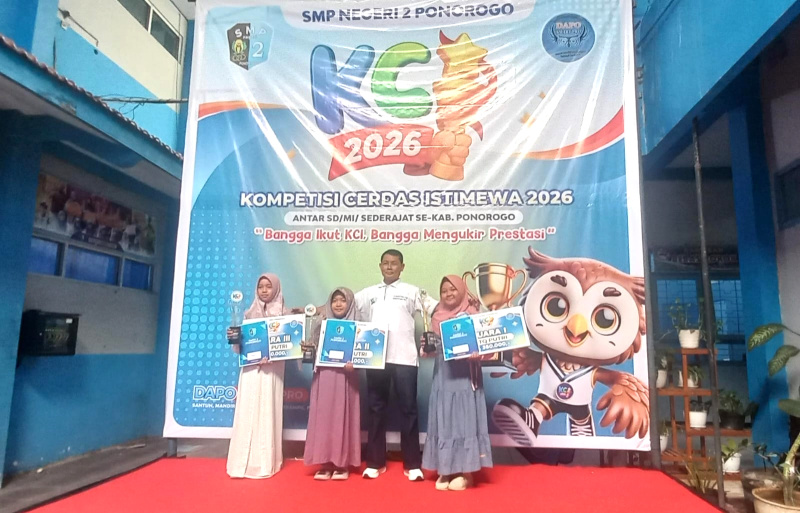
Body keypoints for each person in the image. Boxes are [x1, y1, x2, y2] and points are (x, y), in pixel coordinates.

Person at [355, 249, 437, 481]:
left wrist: (465, 308)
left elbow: (436, 309)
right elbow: (344, 304)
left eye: (394, 263)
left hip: (405, 359)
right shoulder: (369, 293)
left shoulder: (412, 292)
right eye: (386, 263)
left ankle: (412, 464)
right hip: (376, 359)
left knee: (408, 410)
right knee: (376, 410)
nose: (389, 267)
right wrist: (313, 311)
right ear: (380, 266)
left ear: (402, 267)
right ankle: (375, 462)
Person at [421, 275, 493, 491]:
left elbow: (489, 349)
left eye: (453, 289)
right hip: (444, 377)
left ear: (461, 291)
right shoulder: (436, 317)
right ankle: (445, 469)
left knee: (464, 420)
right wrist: (426, 348)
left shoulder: (473, 315)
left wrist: (478, 353)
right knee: (444, 419)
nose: (448, 294)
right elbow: (434, 350)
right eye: (444, 291)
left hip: (465, 377)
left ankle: (466, 472)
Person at [225, 273, 287, 479]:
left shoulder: (285, 315)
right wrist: (234, 338)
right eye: (261, 287)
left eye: (268, 286)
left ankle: (265, 463)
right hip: (250, 370)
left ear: (276, 289)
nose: (264, 290)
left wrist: (273, 355)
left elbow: (290, 347)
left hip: (272, 371)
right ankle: (241, 463)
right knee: (247, 410)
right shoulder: (247, 314)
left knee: (267, 410)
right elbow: (238, 349)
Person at [303, 288, 361, 480]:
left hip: (346, 378)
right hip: (324, 377)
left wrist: (356, 364)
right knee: (324, 418)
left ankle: (342, 463)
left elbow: (367, 355)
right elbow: (312, 352)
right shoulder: (321, 325)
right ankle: (324, 462)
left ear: (350, 304)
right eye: (334, 300)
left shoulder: (359, 327)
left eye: (342, 300)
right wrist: (307, 349)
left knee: (342, 417)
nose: (338, 304)